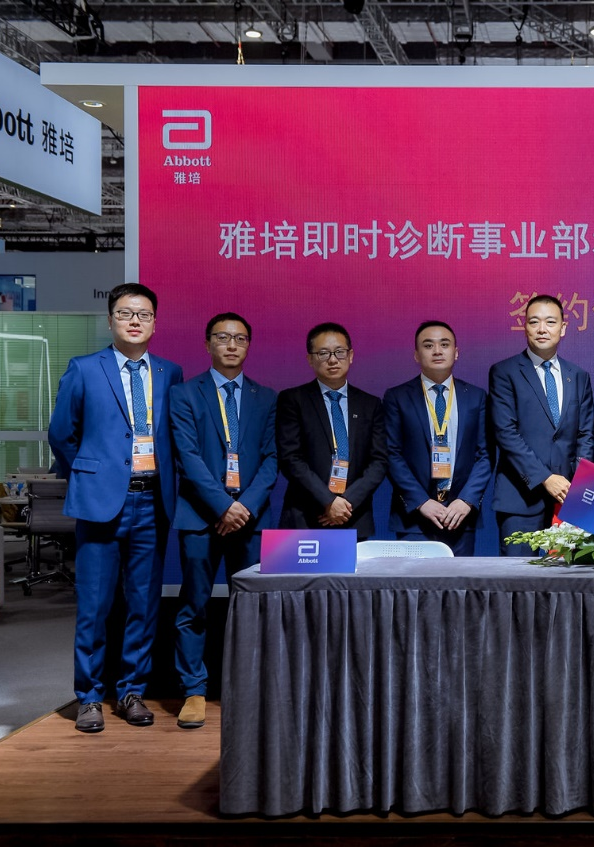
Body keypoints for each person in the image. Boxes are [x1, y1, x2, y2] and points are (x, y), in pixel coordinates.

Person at [48, 282, 184, 733]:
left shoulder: (170, 372)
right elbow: (61, 434)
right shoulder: (84, 369)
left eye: (143, 314)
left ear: (155, 323)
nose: (134, 321)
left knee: (144, 605)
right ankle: (89, 696)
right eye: (125, 313)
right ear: (110, 320)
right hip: (101, 504)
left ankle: (131, 691)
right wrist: (93, 475)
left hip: (153, 501)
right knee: (95, 606)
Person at [168, 313, 277, 729]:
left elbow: (272, 459)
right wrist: (221, 506)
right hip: (201, 516)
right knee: (193, 605)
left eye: (240, 338)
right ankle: (193, 690)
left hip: (250, 518)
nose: (232, 345)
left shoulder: (266, 397)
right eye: (223, 337)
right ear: (207, 343)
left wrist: (242, 507)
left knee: (251, 607)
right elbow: (187, 457)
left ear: (249, 345)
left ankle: (248, 687)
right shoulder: (184, 394)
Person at [488, 294, 594, 555]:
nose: (542, 329)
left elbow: (585, 435)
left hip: (568, 498)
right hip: (520, 498)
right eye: (534, 322)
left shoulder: (578, 376)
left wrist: (579, 486)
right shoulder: (504, 372)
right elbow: (506, 434)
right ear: (525, 326)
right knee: (519, 577)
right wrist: (545, 478)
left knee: (569, 576)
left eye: (550, 322)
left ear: (563, 328)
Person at [382, 321, 492, 556]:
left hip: (459, 516)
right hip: (414, 518)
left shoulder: (476, 397)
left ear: (456, 352)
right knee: (414, 581)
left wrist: (466, 500)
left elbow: (485, 455)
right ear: (416, 355)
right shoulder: (397, 397)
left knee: (459, 580)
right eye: (428, 345)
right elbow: (392, 455)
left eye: (444, 344)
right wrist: (421, 501)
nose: (437, 351)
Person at [276, 322, 387, 537]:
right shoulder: (293, 400)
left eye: (339, 352)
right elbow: (290, 458)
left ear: (351, 355)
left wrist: (345, 503)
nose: (333, 360)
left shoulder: (370, 404)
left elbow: (379, 461)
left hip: (354, 515)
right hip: (305, 516)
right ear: (310, 359)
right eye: (323, 353)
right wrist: (328, 501)